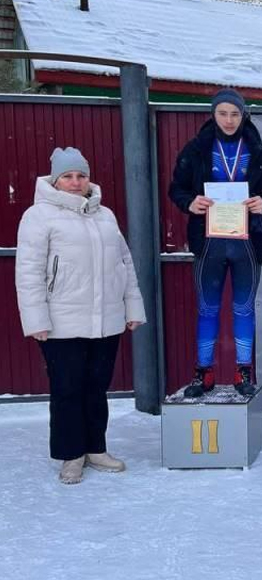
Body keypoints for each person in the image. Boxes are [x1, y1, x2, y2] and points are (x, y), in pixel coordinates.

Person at [15, 147, 146, 484]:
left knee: (96, 386)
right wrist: (37, 320)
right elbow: (28, 272)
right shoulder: (38, 216)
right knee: (67, 389)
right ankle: (71, 454)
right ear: (55, 180)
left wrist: (132, 308)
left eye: (81, 175)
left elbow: (125, 264)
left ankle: (96, 447)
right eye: (68, 176)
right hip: (61, 321)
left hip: (107, 319)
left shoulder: (105, 215)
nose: (75, 182)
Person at [169, 88, 262, 398]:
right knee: (208, 309)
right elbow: (176, 189)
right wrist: (190, 202)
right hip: (210, 243)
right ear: (213, 114)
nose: (229, 120)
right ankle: (203, 373)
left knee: (243, 308)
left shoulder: (261, 153)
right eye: (223, 113)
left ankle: (242, 371)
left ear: (243, 115)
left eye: (235, 114)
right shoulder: (195, 151)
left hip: (248, 242)